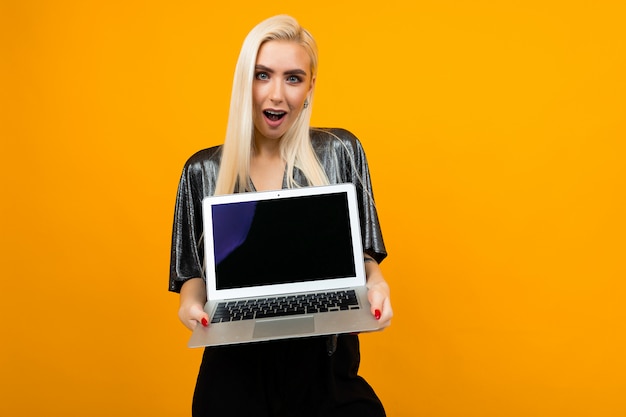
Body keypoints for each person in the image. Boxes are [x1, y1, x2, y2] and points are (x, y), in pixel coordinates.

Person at [169, 14, 393, 416]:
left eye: (293, 78)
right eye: (262, 75)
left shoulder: (341, 151)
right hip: (235, 380)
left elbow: (365, 259)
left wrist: (376, 286)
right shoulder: (201, 172)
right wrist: (191, 308)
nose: (277, 94)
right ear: (244, 83)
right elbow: (192, 278)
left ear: (309, 88)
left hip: (326, 376)